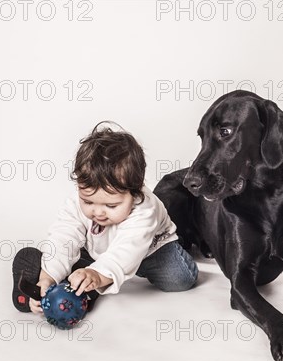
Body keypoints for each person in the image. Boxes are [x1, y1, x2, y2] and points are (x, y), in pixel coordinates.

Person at [12, 121, 198, 314]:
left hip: (150, 250)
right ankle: (71, 288)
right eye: (89, 202)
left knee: (179, 279)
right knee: (75, 263)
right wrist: (48, 276)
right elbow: (64, 236)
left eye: (111, 206)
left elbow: (128, 248)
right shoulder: (76, 201)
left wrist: (99, 274)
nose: (98, 212)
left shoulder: (145, 208)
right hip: (98, 249)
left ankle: (95, 276)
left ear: (135, 193)